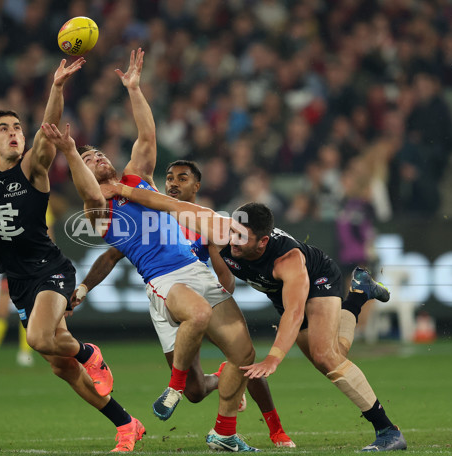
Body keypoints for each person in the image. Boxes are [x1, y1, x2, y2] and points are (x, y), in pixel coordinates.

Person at [41, 48, 260, 452]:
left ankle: (222, 432)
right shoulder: (100, 213)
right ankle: (174, 389)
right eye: (91, 158)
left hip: (196, 272)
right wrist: (71, 151)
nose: (99, 157)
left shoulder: (136, 179)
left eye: (99, 153)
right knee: (195, 318)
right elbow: (91, 198)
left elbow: (147, 136)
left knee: (240, 359)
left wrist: (135, 89)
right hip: (162, 281)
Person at [97, 183, 408, 452]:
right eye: (233, 231)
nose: (231, 242)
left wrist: (273, 357)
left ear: (262, 241)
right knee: (334, 353)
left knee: (326, 356)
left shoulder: (289, 261)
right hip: (280, 294)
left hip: (316, 281)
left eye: (241, 238)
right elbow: (169, 204)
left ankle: (389, 431)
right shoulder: (220, 228)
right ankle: (358, 295)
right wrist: (122, 190)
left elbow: (295, 312)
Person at [0, 58, 145, 453]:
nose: (14, 133)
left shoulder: (33, 169)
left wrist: (56, 88)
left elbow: (49, 136)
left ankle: (91, 353)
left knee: (39, 338)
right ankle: (126, 424)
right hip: (19, 281)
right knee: (60, 366)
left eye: (17, 127)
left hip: (51, 270)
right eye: (4, 129)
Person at [71, 159, 295, 448]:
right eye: (170, 178)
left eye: (182, 178)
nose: (173, 183)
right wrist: (86, 285)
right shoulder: (152, 214)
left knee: (241, 356)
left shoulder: (204, 224)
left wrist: (223, 309)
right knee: (195, 388)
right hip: (169, 294)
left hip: (199, 293)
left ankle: (271, 430)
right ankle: (196, 385)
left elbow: (224, 277)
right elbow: (112, 255)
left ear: (196, 186)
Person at [0, 206, 57, 368]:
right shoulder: (27, 199)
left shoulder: (37, 201)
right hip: (17, 261)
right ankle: (23, 354)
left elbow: (49, 235)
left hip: (25, 262)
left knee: (7, 308)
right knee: (22, 308)